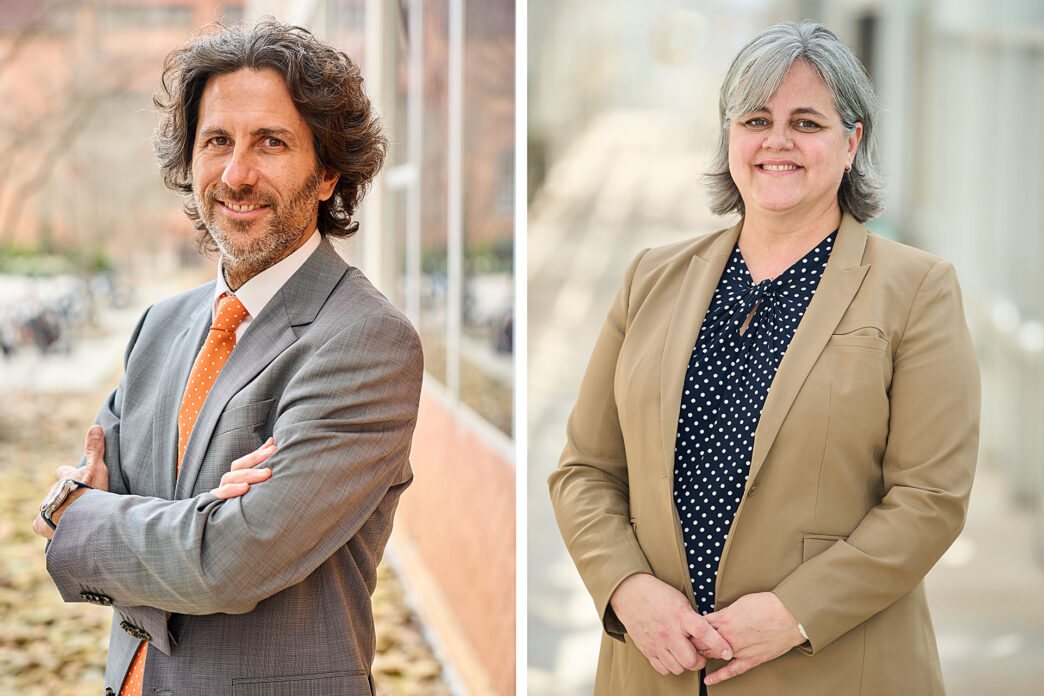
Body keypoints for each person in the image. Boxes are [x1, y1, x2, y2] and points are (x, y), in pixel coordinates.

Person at [548, 20, 979, 695]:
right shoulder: (650, 278)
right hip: (655, 669)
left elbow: (931, 499)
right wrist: (626, 587)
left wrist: (794, 612)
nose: (778, 140)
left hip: (832, 670)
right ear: (730, 138)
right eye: (756, 120)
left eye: (806, 122)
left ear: (851, 142)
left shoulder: (917, 288)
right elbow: (585, 470)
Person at [31, 20, 422, 696]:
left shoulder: (367, 341)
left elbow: (230, 562)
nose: (237, 175)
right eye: (217, 141)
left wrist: (78, 515)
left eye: (271, 142)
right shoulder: (160, 326)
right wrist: (196, 517)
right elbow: (113, 498)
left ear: (328, 173)